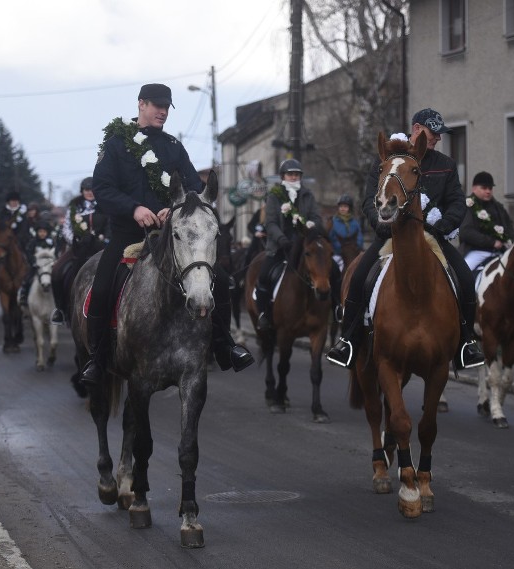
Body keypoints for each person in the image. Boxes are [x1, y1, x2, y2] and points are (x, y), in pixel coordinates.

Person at [80, 83, 253, 387]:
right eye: (156, 106)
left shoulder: (173, 146)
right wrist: (134, 208)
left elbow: (192, 190)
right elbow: (103, 189)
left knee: (221, 279)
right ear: (141, 104)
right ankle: (97, 357)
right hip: (127, 233)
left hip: (170, 235)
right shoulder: (117, 144)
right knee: (103, 285)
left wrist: (173, 210)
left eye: (166, 107)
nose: (162, 112)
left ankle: (225, 346)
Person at [327, 108, 485, 370]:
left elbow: (457, 202)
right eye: (433, 133)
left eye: (439, 134)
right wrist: (381, 225)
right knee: (358, 278)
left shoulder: (445, 164)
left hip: (433, 237)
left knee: (466, 280)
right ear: (416, 129)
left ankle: (466, 343)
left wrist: (442, 225)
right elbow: (369, 199)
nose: (437, 138)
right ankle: (348, 340)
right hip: (391, 235)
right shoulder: (387, 160)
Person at [459, 171, 514, 333]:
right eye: (484, 188)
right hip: (476, 252)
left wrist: (509, 241)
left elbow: (510, 229)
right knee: (462, 276)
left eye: (490, 188)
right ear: (474, 188)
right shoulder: (468, 206)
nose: (488, 191)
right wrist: (492, 242)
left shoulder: (498, 208)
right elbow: (466, 232)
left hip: (500, 253)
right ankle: (460, 316)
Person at [253, 159, 330, 330]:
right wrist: (281, 239)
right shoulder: (274, 195)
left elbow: (316, 217)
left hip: (304, 246)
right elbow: (271, 223)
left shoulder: (308, 195)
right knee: (264, 276)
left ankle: (337, 308)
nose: (294, 177)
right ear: (283, 176)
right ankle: (264, 314)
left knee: (333, 270)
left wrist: (312, 225)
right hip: (281, 246)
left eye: (297, 174)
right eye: (290, 174)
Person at [50, 177, 109, 324]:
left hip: (100, 247)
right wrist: (75, 240)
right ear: (82, 191)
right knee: (56, 271)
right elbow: (67, 229)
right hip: (78, 248)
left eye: (92, 190)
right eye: (86, 190)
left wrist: (103, 239)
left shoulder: (105, 205)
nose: (89, 193)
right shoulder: (74, 207)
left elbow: (110, 225)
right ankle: (60, 310)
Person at [19, 219, 56, 307]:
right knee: (28, 279)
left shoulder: (51, 242)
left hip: (49, 266)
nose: (42, 233)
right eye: (40, 232)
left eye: (44, 232)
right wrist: (33, 262)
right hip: (36, 266)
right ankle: (24, 295)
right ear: (37, 232)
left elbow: (55, 253)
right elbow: (29, 253)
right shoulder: (33, 242)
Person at [328, 194, 364, 273]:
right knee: (336, 269)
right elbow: (332, 236)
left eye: (345, 207)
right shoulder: (333, 222)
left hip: (353, 251)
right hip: (339, 253)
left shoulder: (355, 222)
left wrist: (358, 246)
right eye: (341, 207)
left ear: (349, 208)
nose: (342, 209)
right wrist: (339, 249)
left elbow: (359, 235)